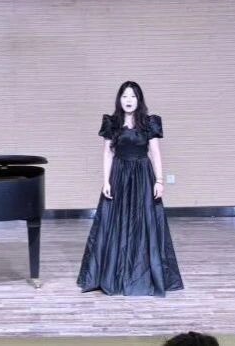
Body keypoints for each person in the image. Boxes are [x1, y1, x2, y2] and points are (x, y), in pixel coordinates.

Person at [77, 81, 183, 296]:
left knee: (145, 222)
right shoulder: (112, 123)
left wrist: (159, 180)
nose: (128, 100)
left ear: (139, 100)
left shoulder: (150, 123)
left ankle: (142, 274)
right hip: (119, 175)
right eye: (125, 96)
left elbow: (155, 153)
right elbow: (107, 153)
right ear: (119, 99)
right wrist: (106, 181)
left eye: (133, 96)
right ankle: (113, 275)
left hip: (143, 175)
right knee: (114, 222)